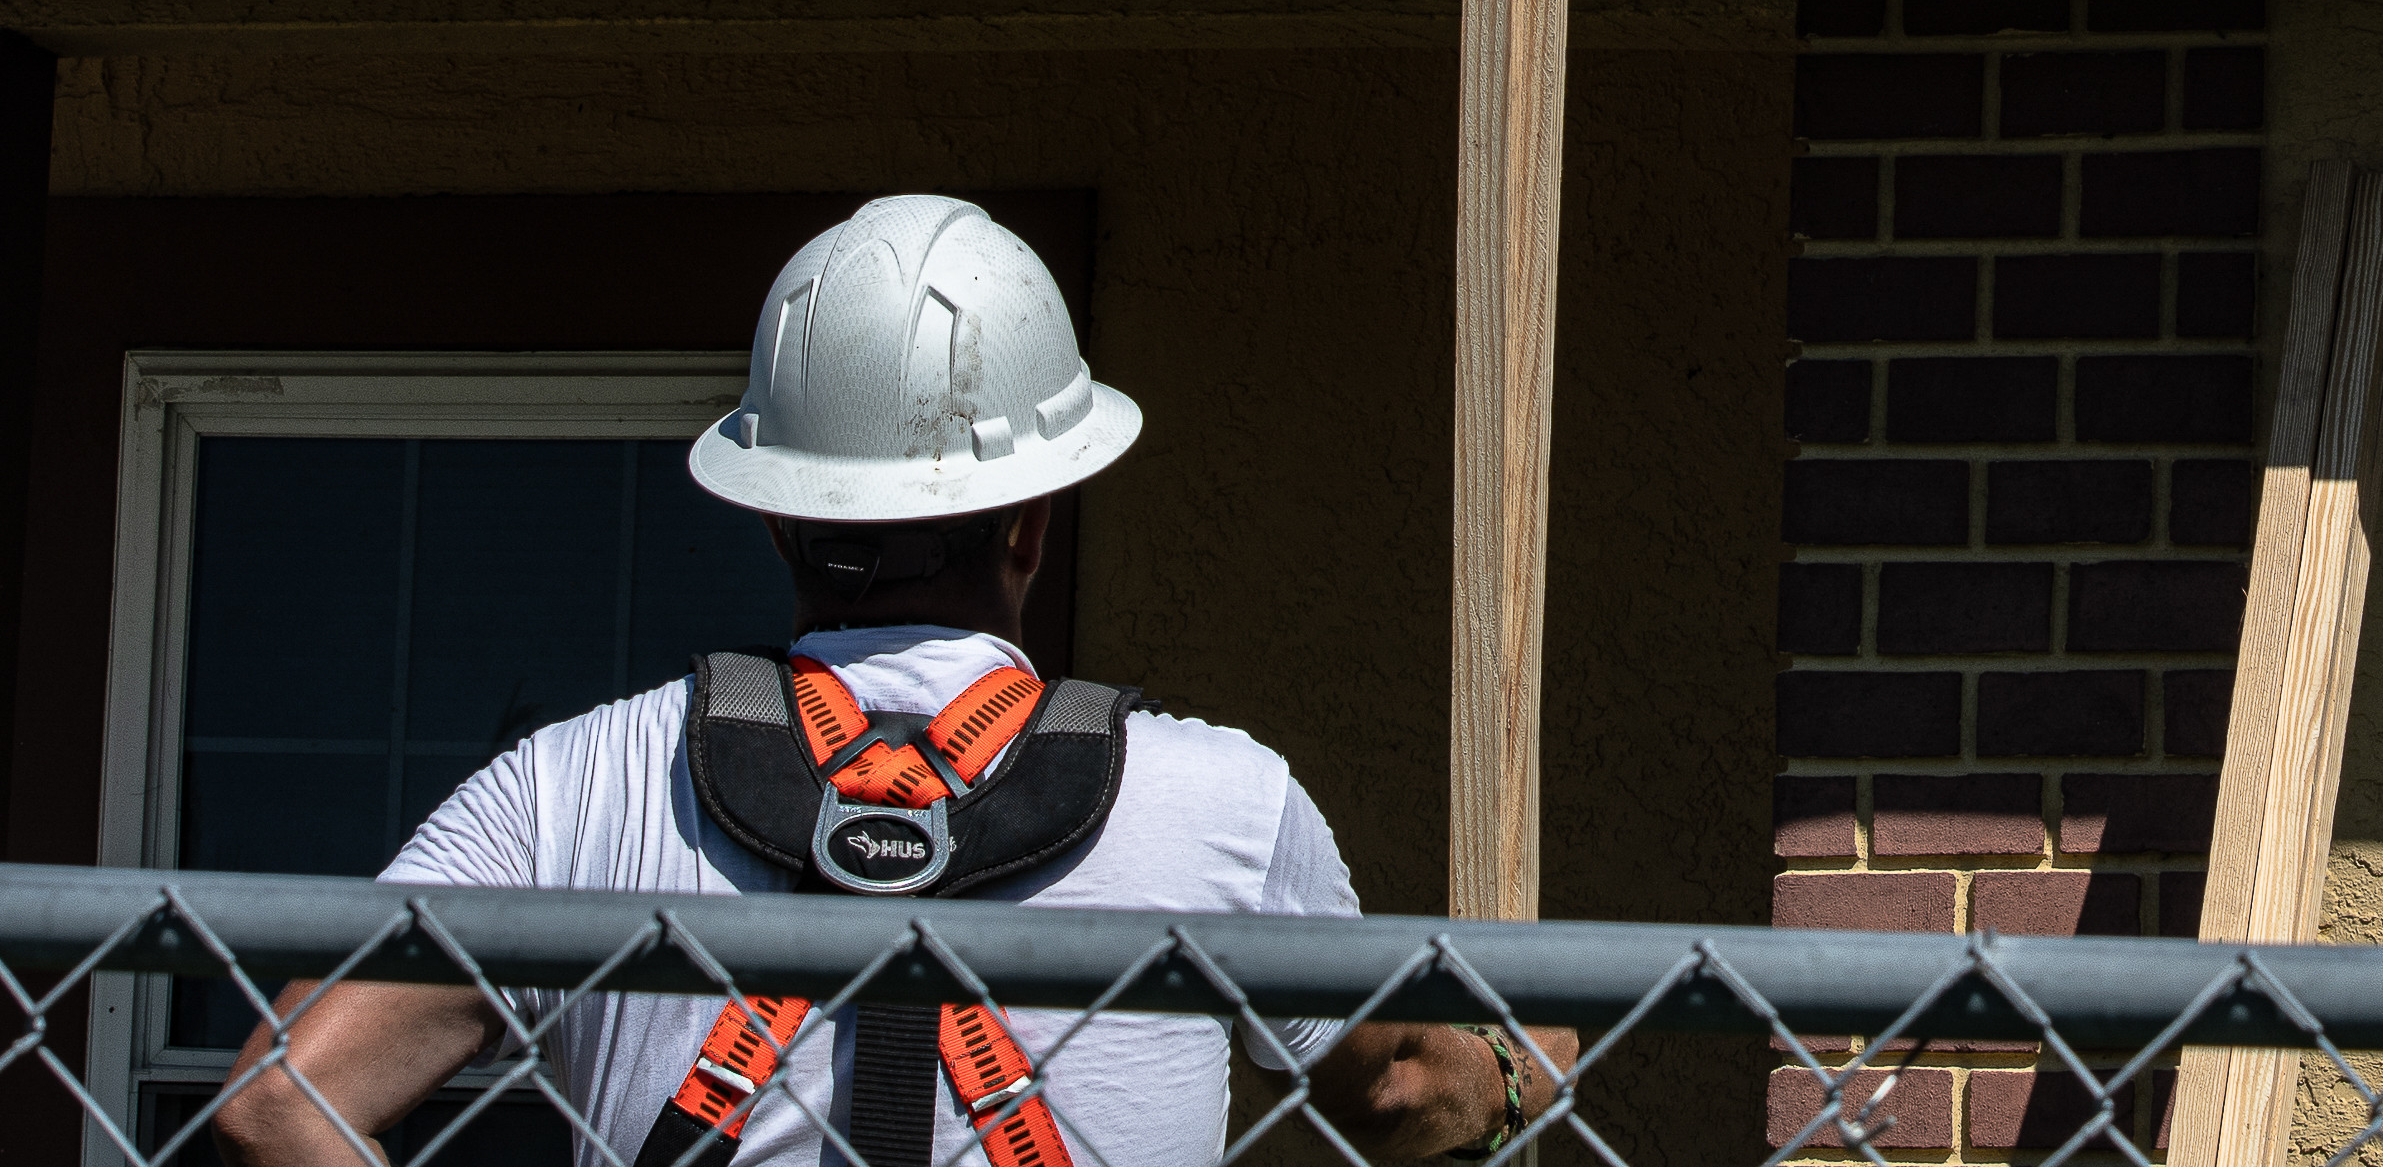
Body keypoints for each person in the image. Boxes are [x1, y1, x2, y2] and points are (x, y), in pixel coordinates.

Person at [209, 196, 1535, 1167]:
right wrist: (1521, 1075)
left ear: (777, 513)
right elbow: (1404, 1085)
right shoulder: (1223, 809)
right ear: (1033, 522)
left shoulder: (576, 787)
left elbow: (278, 1103)